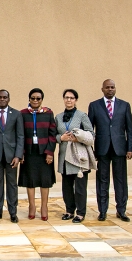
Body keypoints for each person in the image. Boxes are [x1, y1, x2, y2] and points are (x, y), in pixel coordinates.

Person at [88, 79, 132, 222]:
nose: (110, 90)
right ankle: (102, 211)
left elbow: (130, 129)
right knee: (102, 180)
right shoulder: (94, 106)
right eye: (107, 87)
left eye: (112, 87)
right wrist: (91, 149)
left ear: (115, 89)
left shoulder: (124, 105)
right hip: (102, 149)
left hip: (120, 148)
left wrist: (130, 148)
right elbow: (90, 130)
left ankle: (121, 210)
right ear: (102, 89)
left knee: (120, 180)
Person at [55, 89, 95, 224]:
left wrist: (78, 139)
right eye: (66, 97)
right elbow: (53, 135)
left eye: (71, 98)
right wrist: (61, 137)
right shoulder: (58, 117)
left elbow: (91, 134)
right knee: (66, 186)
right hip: (64, 157)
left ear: (76, 100)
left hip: (79, 157)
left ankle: (80, 213)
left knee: (80, 187)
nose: (69, 100)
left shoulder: (82, 116)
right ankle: (69, 210)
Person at [0, 89, 24, 223]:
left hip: (11, 156)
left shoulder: (17, 114)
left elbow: (20, 136)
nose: (2, 99)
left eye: (4, 97)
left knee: (12, 184)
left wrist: (18, 156)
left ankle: (13, 212)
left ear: (9, 99)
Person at [18, 88, 56, 221]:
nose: (35, 100)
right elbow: (20, 135)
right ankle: (32, 206)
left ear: (41, 100)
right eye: (33, 98)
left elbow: (52, 135)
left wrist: (50, 152)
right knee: (30, 180)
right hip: (29, 152)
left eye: (38, 98)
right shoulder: (22, 113)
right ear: (29, 99)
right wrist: (20, 153)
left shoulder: (48, 113)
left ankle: (44, 207)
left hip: (44, 152)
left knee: (44, 180)